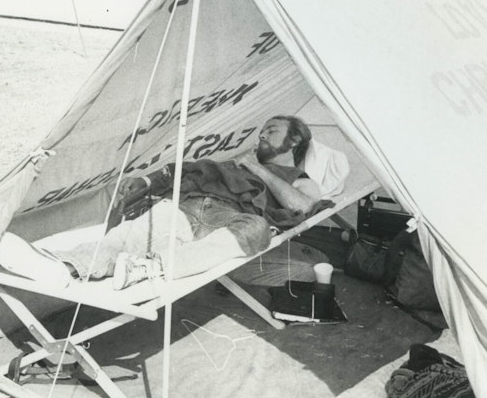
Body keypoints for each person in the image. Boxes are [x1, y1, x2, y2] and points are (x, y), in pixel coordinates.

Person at [35, 115, 335, 289]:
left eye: (271, 130)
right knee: (122, 238)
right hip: (185, 205)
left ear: (294, 141)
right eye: (262, 132)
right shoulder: (234, 163)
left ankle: (153, 266)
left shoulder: (299, 177)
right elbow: (182, 170)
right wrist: (146, 181)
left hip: (229, 220)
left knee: (257, 229)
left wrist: (255, 168)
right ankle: (66, 266)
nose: (261, 136)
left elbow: (301, 206)